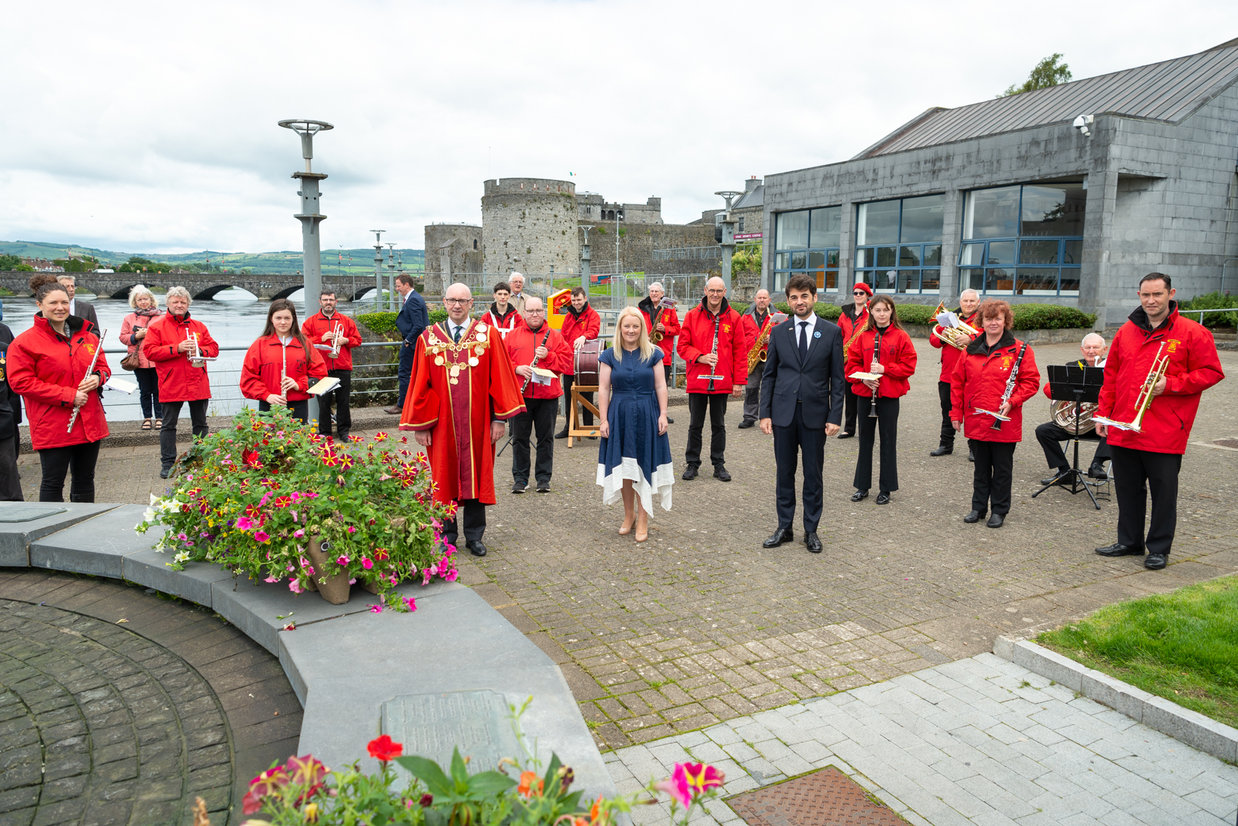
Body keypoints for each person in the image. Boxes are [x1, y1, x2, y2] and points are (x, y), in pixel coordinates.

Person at [1094, 273, 1224, 570]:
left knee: (1163, 493)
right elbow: (1111, 375)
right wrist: (1104, 413)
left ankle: (1159, 548)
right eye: (1145, 295)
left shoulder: (1192, 331)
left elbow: (1212, 372)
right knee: (1127, 488)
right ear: (1138, 295)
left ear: (1170, 294)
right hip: (1124, 425)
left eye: (1157, 295)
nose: (1151, 301)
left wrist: (1172, 384)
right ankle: (1129, 541)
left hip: (1165, 428)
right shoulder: (1126, 331)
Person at [400, 283, 525, 557]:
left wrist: (498, 420)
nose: (457, 305)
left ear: (471, 304)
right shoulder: (428, 338)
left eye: (462, 301)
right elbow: (419, 384)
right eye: (452, 300)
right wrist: (422, 426)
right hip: (441, 425)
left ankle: (474, 535)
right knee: (443, 476)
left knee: (478, 474)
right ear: (444, 303)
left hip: (479, 424)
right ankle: (446, 534)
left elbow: (500, 380)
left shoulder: (488, 335)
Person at [758, 274, 845, 553]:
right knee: (784, 473)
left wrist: (835, 416)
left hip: (815, 416)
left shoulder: (831, 332)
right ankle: (784, 527)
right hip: (783, 415)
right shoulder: (779, 331)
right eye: (794, 297)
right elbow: (769, 375)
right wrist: (764, 413)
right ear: (788, 300)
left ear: (814, 298)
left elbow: (838, 379)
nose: (799, 301)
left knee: (813, 474)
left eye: (804, 296)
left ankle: (811, 530)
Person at [7, 277, 110, 502]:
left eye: (64, 302)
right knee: (53, 482)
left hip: (89, 420)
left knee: (85, 480)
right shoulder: (24, 343)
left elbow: (103, 367)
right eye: (53, 303)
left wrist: (97, 378)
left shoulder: (88, 335)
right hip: (53, 423)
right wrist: (69, 395)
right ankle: (51, 530)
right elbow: (20, 382)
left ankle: (81, 527)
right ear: (40, 305)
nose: (60, 307)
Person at [951, 300, 1040, 528]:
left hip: (1004, 420)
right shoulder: (970, 350)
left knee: (1002, 469)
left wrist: (1013, 401)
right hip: (977, 418)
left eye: (998, 319)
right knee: (980, 468)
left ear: (1005, 321)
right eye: (989, 319)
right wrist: (956, 414)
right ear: (982, 321)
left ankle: (999, 510)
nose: (993, 323)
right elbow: (957, 383)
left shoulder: (1020, 349)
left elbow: (1031, 382)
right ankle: (978, 507)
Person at [597, 307, 673, 542]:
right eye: (626, 326)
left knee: (643, 464)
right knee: (624, 469)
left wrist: (663, 414)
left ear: (642, 328)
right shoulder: (610, 355)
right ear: (619, 328)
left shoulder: (654, 353)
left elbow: (661, 386)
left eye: (635, 326)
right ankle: (628, 515)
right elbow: (603, 388)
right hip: (619, 414)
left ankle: (643, 517)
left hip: (647, 413)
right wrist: (603, 419)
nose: (631, 330)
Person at [845, 295, 918, 505]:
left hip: (889, 396)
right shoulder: (863, 336)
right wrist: (865, 379)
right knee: (865, 441)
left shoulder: (901, 336)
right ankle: (862, 486)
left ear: (891, 312)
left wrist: (886, 369)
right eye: (877, 310)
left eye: (886, 310)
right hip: (866, 394)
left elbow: (909, 366)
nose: (882, 314)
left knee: (888, 441)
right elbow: (852, 365)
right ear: (871, 312)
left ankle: (886, 488)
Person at [143, 287, 218, 478]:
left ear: (188, 305)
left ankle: (201, 460)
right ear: (168, 304)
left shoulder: (199, 326)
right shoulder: (156, 327)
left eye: (183, 302)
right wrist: (176, 348)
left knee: (201, 424)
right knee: (168, 425)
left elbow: (214, 349)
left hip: (197, 380)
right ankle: (168, 464)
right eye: (175, 302)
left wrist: (200, 350)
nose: (179, 305)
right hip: (172, 382)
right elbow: (150, 352)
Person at [677, 277, 747, 482]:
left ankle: (718, 464)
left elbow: (740, 352)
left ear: (725, 291)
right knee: (694, 425)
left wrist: (738, 382)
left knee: (719, 425)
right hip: (699, 378)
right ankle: (692, 463)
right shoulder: (691, 316)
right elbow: (682, 346)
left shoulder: (734, 317)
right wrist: (700, 357)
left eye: (719, 291)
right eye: (711, 290)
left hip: (721, 380)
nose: (715, 295)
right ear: (705, 290)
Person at [505, 297, 573, 493]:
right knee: (519, 438)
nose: (535, 314)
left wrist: (548, 356)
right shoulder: (512, 336)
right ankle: (520, 478)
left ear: (543, 312)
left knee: (546, 438)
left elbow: (566, 363)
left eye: (538, 310)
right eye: (530, 311)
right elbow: (500, 362)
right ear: (524, 312)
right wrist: (517, 369)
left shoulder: (555, 336)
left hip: (547, 396)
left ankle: (543, 478)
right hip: (521, 395)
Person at [1036, 333, 1112, 485]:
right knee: (1043, 431)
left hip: (1101, 424)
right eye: (1088, 347)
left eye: (1096, 347)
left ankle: (1097, 464)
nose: (1091, 351)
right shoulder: (1073, 367)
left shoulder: (1112, 369)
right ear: (1082, 350)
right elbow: (1051, 389)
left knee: (1116, 429)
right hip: (1076, 423)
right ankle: (1064, 471)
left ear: (1104, 349)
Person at [240, 299, 327, 424]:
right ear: (271, 319)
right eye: (278, 318)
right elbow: (248, 379)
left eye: (287, 318)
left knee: (297, 441)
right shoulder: (260, 345)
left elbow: (320, 374)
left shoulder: (305, 344)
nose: (283, 322)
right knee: (270, 442)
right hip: (269, 405)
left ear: (293, 319)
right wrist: (267, 395)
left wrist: (298, 385)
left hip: (298, 406)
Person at [302, 290, 363, 442]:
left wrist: (346, 341)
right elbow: (303, 342)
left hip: (342, 367)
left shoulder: (346, 321)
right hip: (321, 369)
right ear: (320, 302)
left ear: (336, 302)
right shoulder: (310, 322)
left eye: (331, 300)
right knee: (323, 402)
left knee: (343, 402)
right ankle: (325, 432)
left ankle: (344, 432)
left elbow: (358, 340)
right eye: (325, 300)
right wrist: (320, 338)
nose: (328, 302)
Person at [928, 289, 981, 457]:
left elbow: (989, 337)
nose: (969, 304)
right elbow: (934, 341)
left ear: (978, 303)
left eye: (972, 301)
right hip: (949, 374)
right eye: (966, 301)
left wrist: (971, 339)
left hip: (973, 375)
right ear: (960, 302)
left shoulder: (983, 318)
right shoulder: (949, 318)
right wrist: (943, 335)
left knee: (973, 412)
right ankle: (946, 444)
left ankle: (975, 449)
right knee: (947, 411)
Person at [555, 287, 600, 438]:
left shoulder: (593, 315)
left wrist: (584, 336)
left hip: (585, 362)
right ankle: (569, 427)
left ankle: (589, 429)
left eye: (578, 300)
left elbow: (594, 330)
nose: (576, 303)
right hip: (569, 363)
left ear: (585, 298)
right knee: (569, 398)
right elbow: (564, 336)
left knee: (587, 397)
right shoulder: (568, 316)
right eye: (573, 300)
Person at [119, 284, 163, 431]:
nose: (143, 302)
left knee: (158, 390)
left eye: (146, 299)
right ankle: (147, 418)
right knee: (145, 390)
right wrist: (136, 336)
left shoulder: (161, 317)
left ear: (151, 300)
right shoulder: (129, 318)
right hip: (139, 360)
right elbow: (123, 337)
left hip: (157, 359)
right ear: (135, 302)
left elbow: (166, 336)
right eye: (140, 300)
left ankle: (159, 417)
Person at [385, 273, 429, 414]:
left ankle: (402, 405)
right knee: (415, 374)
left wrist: (408, 341)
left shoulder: (413, 300)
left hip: (413, 344)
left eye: (398, 286)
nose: (397, 289)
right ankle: (410, 403)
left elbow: (418, 325)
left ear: (406, 285)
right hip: (415, 343)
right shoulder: (413, 298)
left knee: (404, 374)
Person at [638, 281, 680, 422]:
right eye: (652, 291)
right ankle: (647, 411)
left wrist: (665, 329)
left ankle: (662, 413)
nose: (654, 294)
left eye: (657, 291)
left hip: (663, 353)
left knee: (662, 385)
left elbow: (677, 329)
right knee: (646, 383)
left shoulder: (669, 309)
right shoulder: (642, 309)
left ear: (662, 294)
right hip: (646, 350)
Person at [836, 282, 872, 438]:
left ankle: (865, 428)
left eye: (861, 293)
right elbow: (838, 335)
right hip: (845, 358)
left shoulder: (871, 313)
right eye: (855, 293)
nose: (858, 296)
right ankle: (849, 428)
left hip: (863, 358)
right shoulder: (845, 314)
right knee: (849, 395)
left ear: (867, 296)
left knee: (864, 395)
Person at [739, 288, 774, 429]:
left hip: (770, 356)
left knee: (770, 388)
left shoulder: (777, 316)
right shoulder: (745, 316)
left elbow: (786, 335)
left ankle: (769, 415)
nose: (762, 300)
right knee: (751, 389)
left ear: (769, 300)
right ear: (755, 300)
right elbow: (739, 337)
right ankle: (749, 416)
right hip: (752, 357)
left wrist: (772, 339)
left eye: (765, 298)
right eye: (759, 298)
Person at [0, 321, 22, 500]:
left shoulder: (5, 349)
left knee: (9, 482)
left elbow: (14, 385)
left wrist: (13, 416)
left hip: (3, 423)